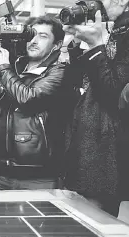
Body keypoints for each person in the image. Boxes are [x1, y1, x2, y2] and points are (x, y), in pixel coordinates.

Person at [0, 15, 66, 190]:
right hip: (0, 172)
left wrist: (4, 68)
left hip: (38, 176)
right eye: (32, 35)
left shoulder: (60, 72)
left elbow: (28, 99)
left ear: (56, 45)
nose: (34, 41)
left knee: (39, 218)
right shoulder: (13, 68)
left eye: (43, 36)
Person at [63, 0, 129, 217]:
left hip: (103, 156)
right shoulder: (112, 29)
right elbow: (73, 85)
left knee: (93, 232)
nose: (95, 4)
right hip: (82, 143)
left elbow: (112, 93)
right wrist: (74, 43)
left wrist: (95, 46)